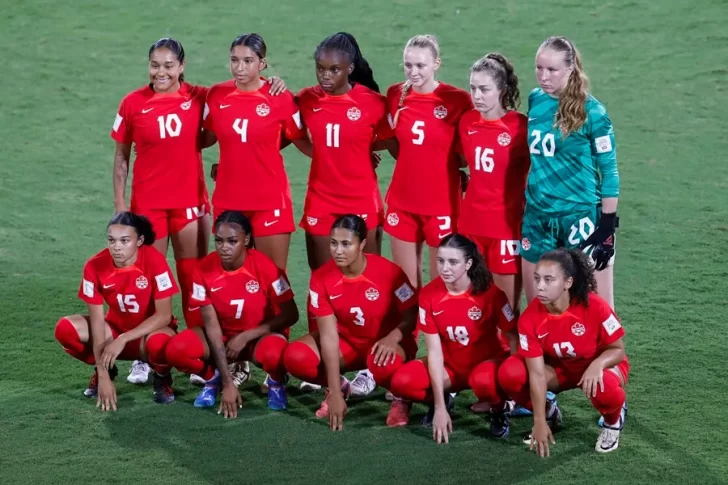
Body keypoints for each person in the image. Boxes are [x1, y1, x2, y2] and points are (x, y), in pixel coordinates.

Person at [295, 32, 393, 395]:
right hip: (321, 203)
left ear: (350, 68)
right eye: (320, 68)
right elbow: (294, 134)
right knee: (321, 281)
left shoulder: (372, 103)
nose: (325, 75)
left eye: (333, 69)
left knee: (371, 285)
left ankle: (371, 364)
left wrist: (363, 149)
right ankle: (320, 362)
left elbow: (387, 138)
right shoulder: (306, 100)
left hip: (361, 203)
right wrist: (322, 154)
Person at [283, 215, 419, 430]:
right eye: (334, 243)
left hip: (385, 346)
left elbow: (412, 314)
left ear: (362, 244)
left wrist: (392, 338)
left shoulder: (390, 272)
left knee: (384, 362)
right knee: (296, 358)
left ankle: (401, 399)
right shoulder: (321, 277)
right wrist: (335, 392)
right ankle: (339, 387)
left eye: (346, 244)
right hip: (348, 343)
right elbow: (327, 334)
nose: (338, 251)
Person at [164, 211, 299, 414]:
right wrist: (228, 383)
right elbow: (211, 326)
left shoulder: (266, 267)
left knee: (276, 354)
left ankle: (276, 382)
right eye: (219, 241)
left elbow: (291, 315)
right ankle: (212, 379)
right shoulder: (203, 270)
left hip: (258, 338)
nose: (224, 247)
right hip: (223, 336)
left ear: (247, 240)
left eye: (232, 241)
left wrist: (246, 336)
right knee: (176, 350)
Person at [498, 248, 629, 455]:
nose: (539, 286)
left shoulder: (595, 305)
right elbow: (537, 373)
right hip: (560, 371)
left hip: (600, 367)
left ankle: (613, 421)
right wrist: (539, 421)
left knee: (604, 388)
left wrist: (598, 365)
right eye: (537, 278)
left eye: (548, 280)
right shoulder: (530, 318)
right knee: (510, 373)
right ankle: (551, 414)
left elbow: (618, 350)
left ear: (568, 282)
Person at [521, 36, 620, 308]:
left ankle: (608, 352)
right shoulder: (536, 99)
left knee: (596, 305)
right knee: (539, 304)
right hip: (538, 215)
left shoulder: (593, 112)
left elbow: (609, 171)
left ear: (570, 68)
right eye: (539, 68)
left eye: (552, 70)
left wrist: (607, 226)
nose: (543, 76)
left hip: (580, 215)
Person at [390, 235, 518, 441]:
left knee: (483, 381)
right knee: (402, 382)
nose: (444, 268)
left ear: (468, 263)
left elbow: (513, 336)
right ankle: (442, 401)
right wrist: (440, 406)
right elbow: (433, 350)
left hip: (486, 366)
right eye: (440, 261)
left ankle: (499, 409)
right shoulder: (430, 295)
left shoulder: (491, 294)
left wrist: (511, 386)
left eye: (453, 262)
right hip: (451, 368)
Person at [202, 33, 306, 271]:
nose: (240, 67)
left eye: (248, 61)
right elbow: (205, 137)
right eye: (234, 60)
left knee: (274, 280)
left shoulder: (280, 98)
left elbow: (301, 140)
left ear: (262, 63)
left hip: (270, 201)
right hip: (229, 200)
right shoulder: (216, 96)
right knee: (233, 278)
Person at [54, 212, 178, 410]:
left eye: (124, 240)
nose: (116, 247)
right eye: (111, 240)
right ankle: (107, 370)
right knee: (65, 329)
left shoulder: (155, 261)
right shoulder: (94, 266)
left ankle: (162, 378)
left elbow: (163, 315)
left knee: (161, 344)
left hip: (147, 336)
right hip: (113, 331)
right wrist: (102, 373)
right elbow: (96, 322)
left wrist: (123, 339)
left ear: (140, 241)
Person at [381, 34, 473, 289]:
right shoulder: (395, 94)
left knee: (442, 285)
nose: (413, 71)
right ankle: (410, 331)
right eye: (408, 65)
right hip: (403, 201)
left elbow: (464, 157)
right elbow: (394, 143)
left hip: (441, 204)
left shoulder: (457, 100)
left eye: (420, 65)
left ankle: (438, 330)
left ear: (436, 64)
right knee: (404, 287)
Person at [457, 53, 529, 309]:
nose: (476, 95)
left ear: (502, 89)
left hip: (506, 228)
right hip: (471, 224)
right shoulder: (466, 122)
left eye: (484, 89)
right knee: (469, 304)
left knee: (506, 310)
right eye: (473, 88)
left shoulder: (520, 127)